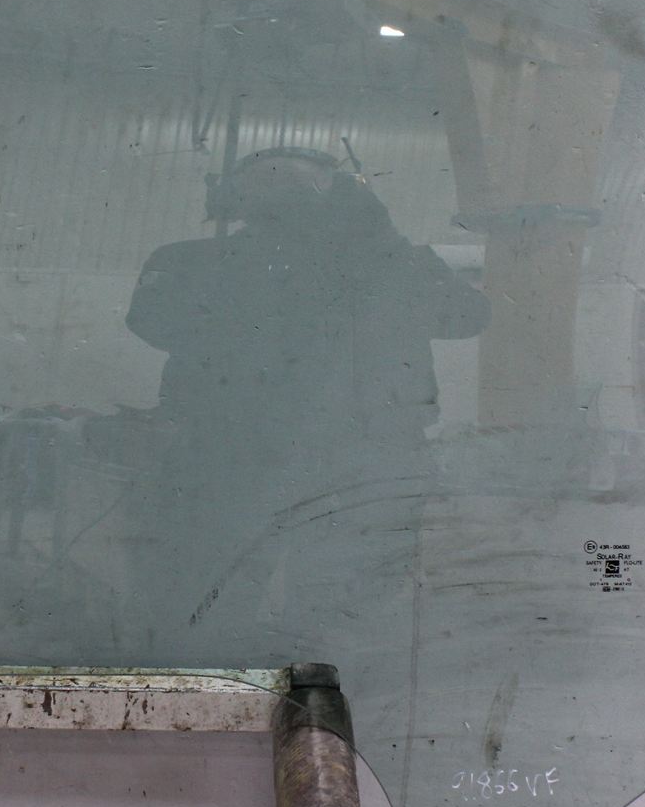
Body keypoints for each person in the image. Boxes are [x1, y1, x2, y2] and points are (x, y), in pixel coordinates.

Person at [123, 147, 488, 656]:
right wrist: (381, 244)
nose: (292, 196)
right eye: (278, 184)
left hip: (336, 459)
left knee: (325, 613)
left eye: (300, 184)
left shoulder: (379, 265)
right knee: (229, 606)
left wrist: (383, 247)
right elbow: (156, 321)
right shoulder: (202, 261)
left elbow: (467, 316)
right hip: (265, 457)